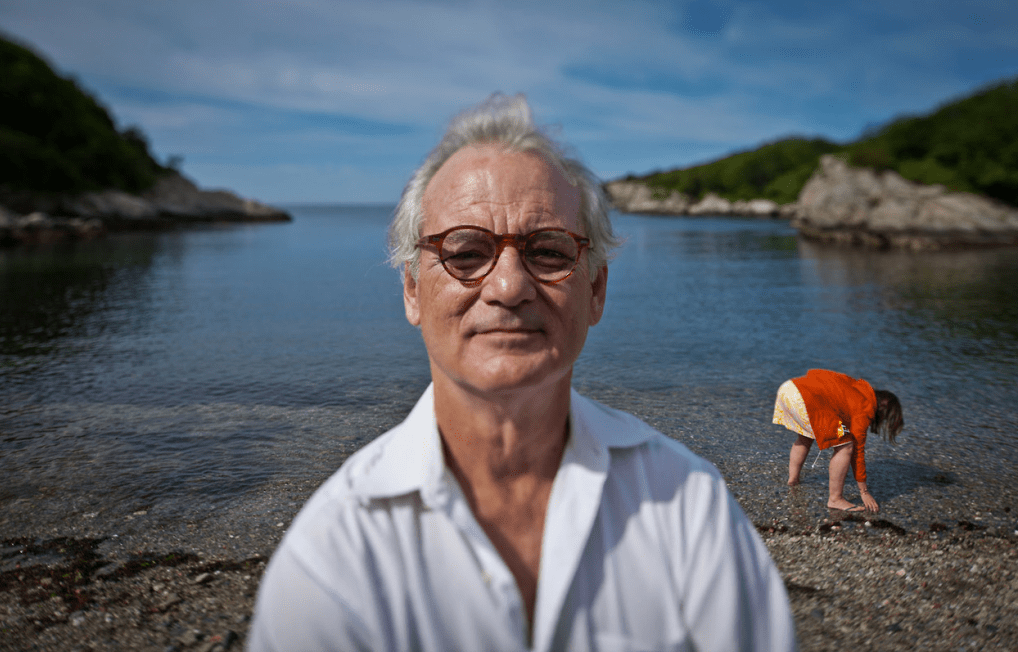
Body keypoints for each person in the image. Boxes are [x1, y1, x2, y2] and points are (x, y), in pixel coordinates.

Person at [250, 93, 796, 652]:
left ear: (597, 290)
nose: (508, 287)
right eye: (464, 253)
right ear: (412, 290)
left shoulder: (687, 505)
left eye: (549, 251)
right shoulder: (337, 546)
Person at [773, 368, 904, 513]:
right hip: (806, 397)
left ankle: (793, 479)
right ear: (883, 408)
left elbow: (816, 373)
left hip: (789, 388)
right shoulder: (864, 407)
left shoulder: (854, 386)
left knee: (805, 436)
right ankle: (835, 499)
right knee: (846, 446)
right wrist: (864, 492)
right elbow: (857, 452)